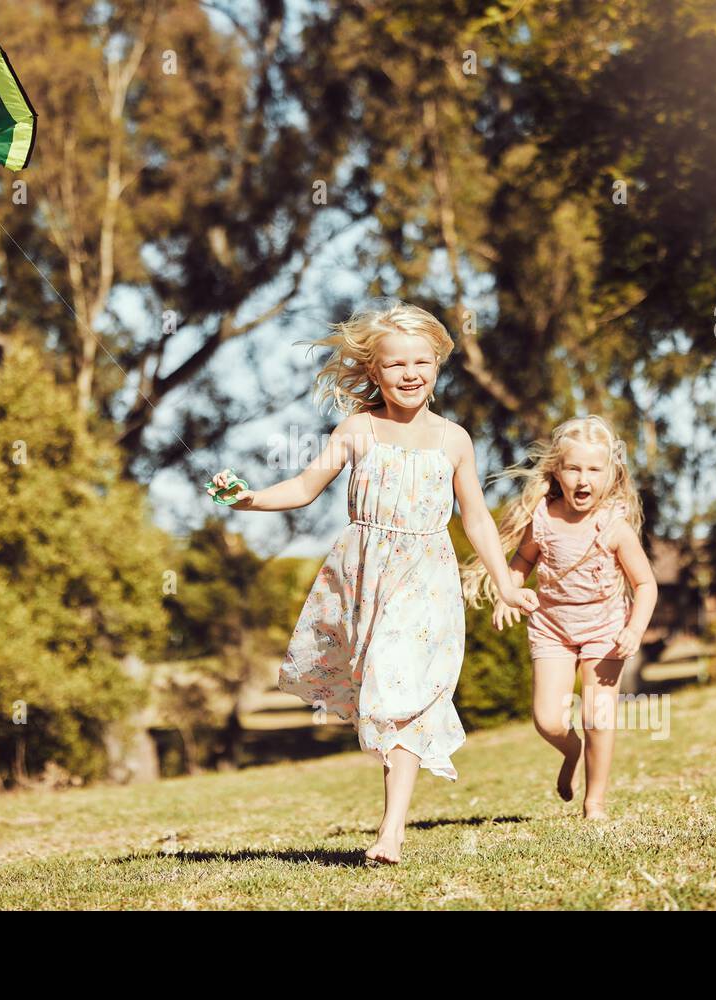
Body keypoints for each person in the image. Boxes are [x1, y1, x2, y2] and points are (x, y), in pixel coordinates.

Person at [206, 299, 537, 864]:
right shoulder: (359, 428)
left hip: (426, 579)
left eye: (422, 362)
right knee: (380, 692)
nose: (410, 374)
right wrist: (249, 498)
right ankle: (391, 823)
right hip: (364, 577)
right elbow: (305, 488)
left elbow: (476, 517)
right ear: (373, 371)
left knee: (404, 690)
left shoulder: (453, 439)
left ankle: (391, 831)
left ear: (437, 365)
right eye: (395, 364)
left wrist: (504, 582)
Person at [461, 415, 657, 821]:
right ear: (557, 471)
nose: (583, 479)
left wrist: (635, 628)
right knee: (548, 720)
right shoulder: (544, 518)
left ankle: (595, 802)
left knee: (596, 716)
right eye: (573, 468)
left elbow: (646, 585)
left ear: (610, 474)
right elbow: (521, 560)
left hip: (605, 629)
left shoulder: (614, 527)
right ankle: (572, 753)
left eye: (593, 469)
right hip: (552, 628)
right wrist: (509, 594)